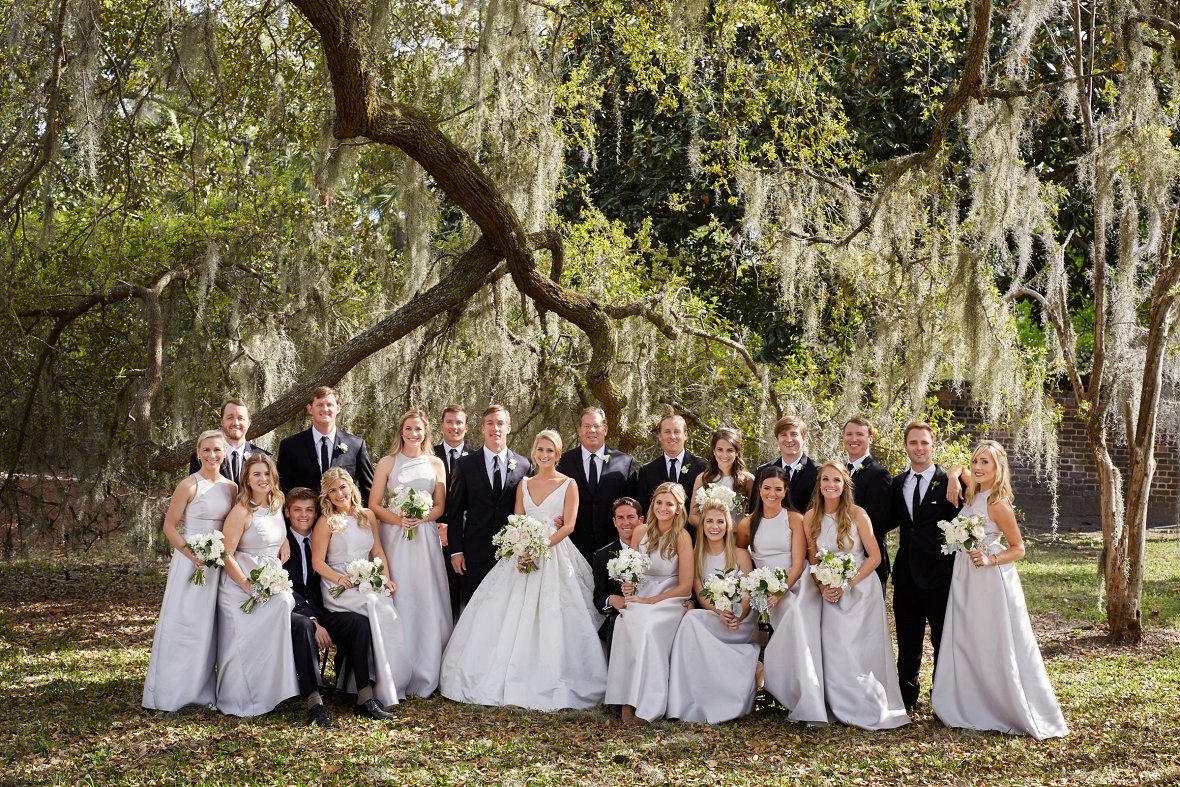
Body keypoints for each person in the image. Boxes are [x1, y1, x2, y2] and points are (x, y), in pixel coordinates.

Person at [440, 430, 607, 710]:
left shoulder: (569, 484)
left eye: (550, 451)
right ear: (534, 452)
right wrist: (520, 546)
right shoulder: (524, 483)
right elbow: (516, 519)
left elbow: (569, 525)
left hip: (554, 553)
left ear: (558, 454)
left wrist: (540, 547)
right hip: (521, 554)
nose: (544, 455)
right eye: (540, 449)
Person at [932, 441, 1068, 738]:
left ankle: (1002, 705)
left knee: (992, 639)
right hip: (965, 574)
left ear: (998, 468)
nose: (978, 467)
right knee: (968, 637)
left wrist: (990, 559)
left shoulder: (997, 502)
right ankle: (970, 701)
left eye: (986, 463)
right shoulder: (974, 489)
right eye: (976, 461)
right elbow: (959, 469)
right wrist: (954, 476)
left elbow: (1019, 548)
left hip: (990, 578)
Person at [807, 461, 909, 730]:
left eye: (836, 480)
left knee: (859, 649)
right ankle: (837, 704)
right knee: (835, 648)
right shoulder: (811, 517)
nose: (830, 485)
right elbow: (813, 561)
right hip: (829, 592)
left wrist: (847, 584)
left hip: (861, 588)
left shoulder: (857, 514)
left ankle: (867, 703)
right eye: (825, 479)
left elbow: (874, 557)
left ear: (845, 485)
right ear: (819, 484)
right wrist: (823, 587)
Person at [143, 430, 236, 711]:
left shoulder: (231, 488)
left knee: (211, 627)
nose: (211, 455)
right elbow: (170, 527)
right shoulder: (188, 485)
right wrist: (190, 554)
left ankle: (204, 692)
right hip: (190, 563)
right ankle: (175, 691)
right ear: (197, 453)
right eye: (206, 450)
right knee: (186, 624)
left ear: (225, 453)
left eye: (217, 450)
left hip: (218, 564)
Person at [282, 487, 389, 727]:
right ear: (287, 512)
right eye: (297, 510)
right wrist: (312, 621)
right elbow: (285, 587)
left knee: (358, 623)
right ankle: (315, 703)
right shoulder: (281, 542)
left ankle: (365, 698)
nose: (303, 515)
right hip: (294, 612)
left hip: (324, 609)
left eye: (309, 510)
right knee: (303, 627)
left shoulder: (324, 537)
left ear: (316, 513)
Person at [312, 467, 409, 715]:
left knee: (385, 605)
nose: (339, 494)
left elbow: (377, 551)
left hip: (366, 579)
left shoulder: (367, 515)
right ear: (326, 496)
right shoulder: (326, 521)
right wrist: (340, 578)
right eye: (332, 491)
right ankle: (372, 689)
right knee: (373, 604)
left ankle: (390, 682)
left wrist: (386, 579)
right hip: (337, 586)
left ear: (351, 487)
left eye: (342, 487)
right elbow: (318, 562)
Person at [370, 409, 452, 698]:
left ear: (425, 432)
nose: (413, 434)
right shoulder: (388, 462)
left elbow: (440, 506)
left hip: (425, 538)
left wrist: (422, 517)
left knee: (425, 595)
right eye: (408, 429)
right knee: (400, 595)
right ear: (401, 431)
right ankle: (396, 670)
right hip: (395, 537)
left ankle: (427, 670)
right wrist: (399, 519)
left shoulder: (436, 463)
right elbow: (374, 504)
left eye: (418, 429)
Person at [737, 467, 826, 725]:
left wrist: (779, 591)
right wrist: (752, 585)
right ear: (759, 490)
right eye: (767, 488)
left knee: (793, 612)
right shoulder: (747, 523)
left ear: (785, 491)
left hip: (793, 584)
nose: (772, 494)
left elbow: (798, 564)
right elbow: (740, 553)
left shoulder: (795, 519)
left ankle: (804, 696)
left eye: (778, 489)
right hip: (761, 587)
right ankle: (770, 680)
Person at [886, 421, 962, 712]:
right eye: (913, 443)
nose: (919, 448)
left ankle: (942, 699)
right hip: (906, 575)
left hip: (940, 574)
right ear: (905, 446)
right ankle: (906, 700)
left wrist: (955, 473)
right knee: (907, 643)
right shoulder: (897, 484)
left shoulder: (950, 482)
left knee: (942, 640)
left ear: (933, 446)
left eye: (924, 443)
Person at [215, 454, 299, 717]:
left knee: (283, 602)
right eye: (256, 475)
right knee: (276, 607)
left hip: (271, 581)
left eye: (267, 474)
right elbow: (225, 554)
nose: (263, 479)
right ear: (247, 480)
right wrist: (246, 585)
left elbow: (274, 530)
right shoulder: (241, 511)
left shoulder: (277, 503)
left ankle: (271, 691)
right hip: (241, 584)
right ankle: (244, 697)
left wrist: (283, 540)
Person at [605, 482, 694, 725]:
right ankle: (627, 699)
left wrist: (651, 600)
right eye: (659, 502)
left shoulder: (682, 537)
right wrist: (628, 586)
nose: (663, 508)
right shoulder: (640, 532)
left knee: (649, 627)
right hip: (641, 593)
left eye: (669, 504)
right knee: (626, 622)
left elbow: (686, 586)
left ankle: (648, 704)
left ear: (678, 508)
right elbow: (631, 570)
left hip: (669, 597)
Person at [666, 500, 758, 723]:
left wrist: (737, 615)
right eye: (709, 521)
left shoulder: (740, 554)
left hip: (740, 619)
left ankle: (740, 678)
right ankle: (688, 701)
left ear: (727, 525)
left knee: (693, 621)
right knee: (691, 619)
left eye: (719, 521)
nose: (714, 526)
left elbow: (747, 594)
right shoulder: (695, 555)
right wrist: (719, 612)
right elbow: (701, 594)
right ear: (702, 525)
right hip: (715, 615)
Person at [444, 405, 532, 604]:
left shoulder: (524, 465)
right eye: (490, 423)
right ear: (483, 428)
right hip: (474, 553)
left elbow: (530, 507)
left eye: (500, 423)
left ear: (508, 427)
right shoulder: (465, 465)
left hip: (511, 553)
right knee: (474, 608)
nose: (495, 428)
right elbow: (455, 512)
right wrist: (456, 551)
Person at [556, 407, 639, 563]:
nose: (591, 430)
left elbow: (632, 504)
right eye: (586, 426)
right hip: (573, 544)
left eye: (596, 426)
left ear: (605, 429)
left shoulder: (625, 462)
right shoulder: (563, 462)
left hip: (613, 545)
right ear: (580, 430)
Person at [277, 386, 375, 500]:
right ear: (310, 409)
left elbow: (369, 491)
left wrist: (359, 510)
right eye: (319, 405)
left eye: (329, 404)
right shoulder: (290, 446)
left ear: (338, 408)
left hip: (342, 511)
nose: (325, 409)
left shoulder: (356, 445)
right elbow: (282, 490)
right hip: (306, 511)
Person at [433, 404, 473, 621]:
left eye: (459, 422)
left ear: (466, 427)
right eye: (449, 422)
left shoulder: (477, 458)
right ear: (441, 426)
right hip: (432, 535)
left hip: (466, 539)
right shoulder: (428, 455)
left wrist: (455, 530)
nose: (454, 427)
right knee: (439, 596)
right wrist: (435, 526)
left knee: (465, 599)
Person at [843, 417, 893, 585]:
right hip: (839, 558)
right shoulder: (841, 472)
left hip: (867, 562)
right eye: (849, 434)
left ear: (870, 438)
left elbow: (878, 523)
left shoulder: (879, 475)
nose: (853, 439)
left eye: (859, 434)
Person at [592, 497, 644, 656]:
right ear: (614, 522)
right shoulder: (602, 556)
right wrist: (613, 599)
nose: (626, 522)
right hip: (623, 614)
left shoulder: (655, 548)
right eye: (620, 518)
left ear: (641, 520)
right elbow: (599, 598)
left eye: (631, 517)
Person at [636, 414, 707, 523]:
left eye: (677, 431)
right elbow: (643, 509)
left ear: (685, 435)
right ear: (660, 436)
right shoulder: (647, 471)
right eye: (667, 432)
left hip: (692, 532)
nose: (672, 436)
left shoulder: (702, 467)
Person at [188, 398, 270, 484]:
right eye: (230, 418)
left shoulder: (264, 458)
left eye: (241, 418)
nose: (236, 423)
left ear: (249, 423)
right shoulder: (202, 458)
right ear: (222, 421)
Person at [688, 426, 755, 528]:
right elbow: (692, 517)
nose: (724, 455)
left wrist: (733, 529)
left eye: (730, 450)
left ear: (737, 452)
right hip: (709, 535)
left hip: (734, 535)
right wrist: (713, 527)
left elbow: (755, 515)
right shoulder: (703, 479)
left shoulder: (748, 480)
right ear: (714, 451)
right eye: (720, 449)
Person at [751, 416, 817, 514]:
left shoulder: (817, 471)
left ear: (803, 438)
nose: (789, 439)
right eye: (783, 435)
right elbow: (754, 510)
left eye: (794, 434)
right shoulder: (763, 471)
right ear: (777, 439)